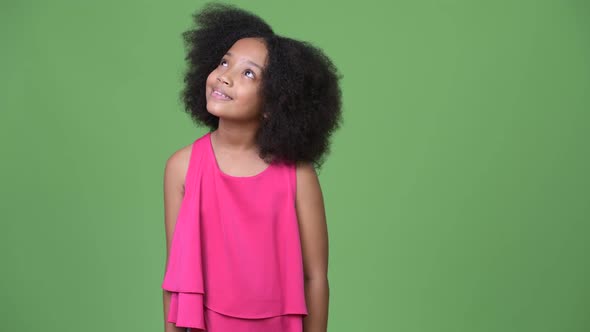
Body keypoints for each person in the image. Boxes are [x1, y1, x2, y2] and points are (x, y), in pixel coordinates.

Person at [161, 2, 342, 331]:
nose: (224, 77)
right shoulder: (181, 167)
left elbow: (315, 277)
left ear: (275, 101)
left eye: (248, 72)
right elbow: (175, 278)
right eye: (224, 62)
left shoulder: (298, 176)